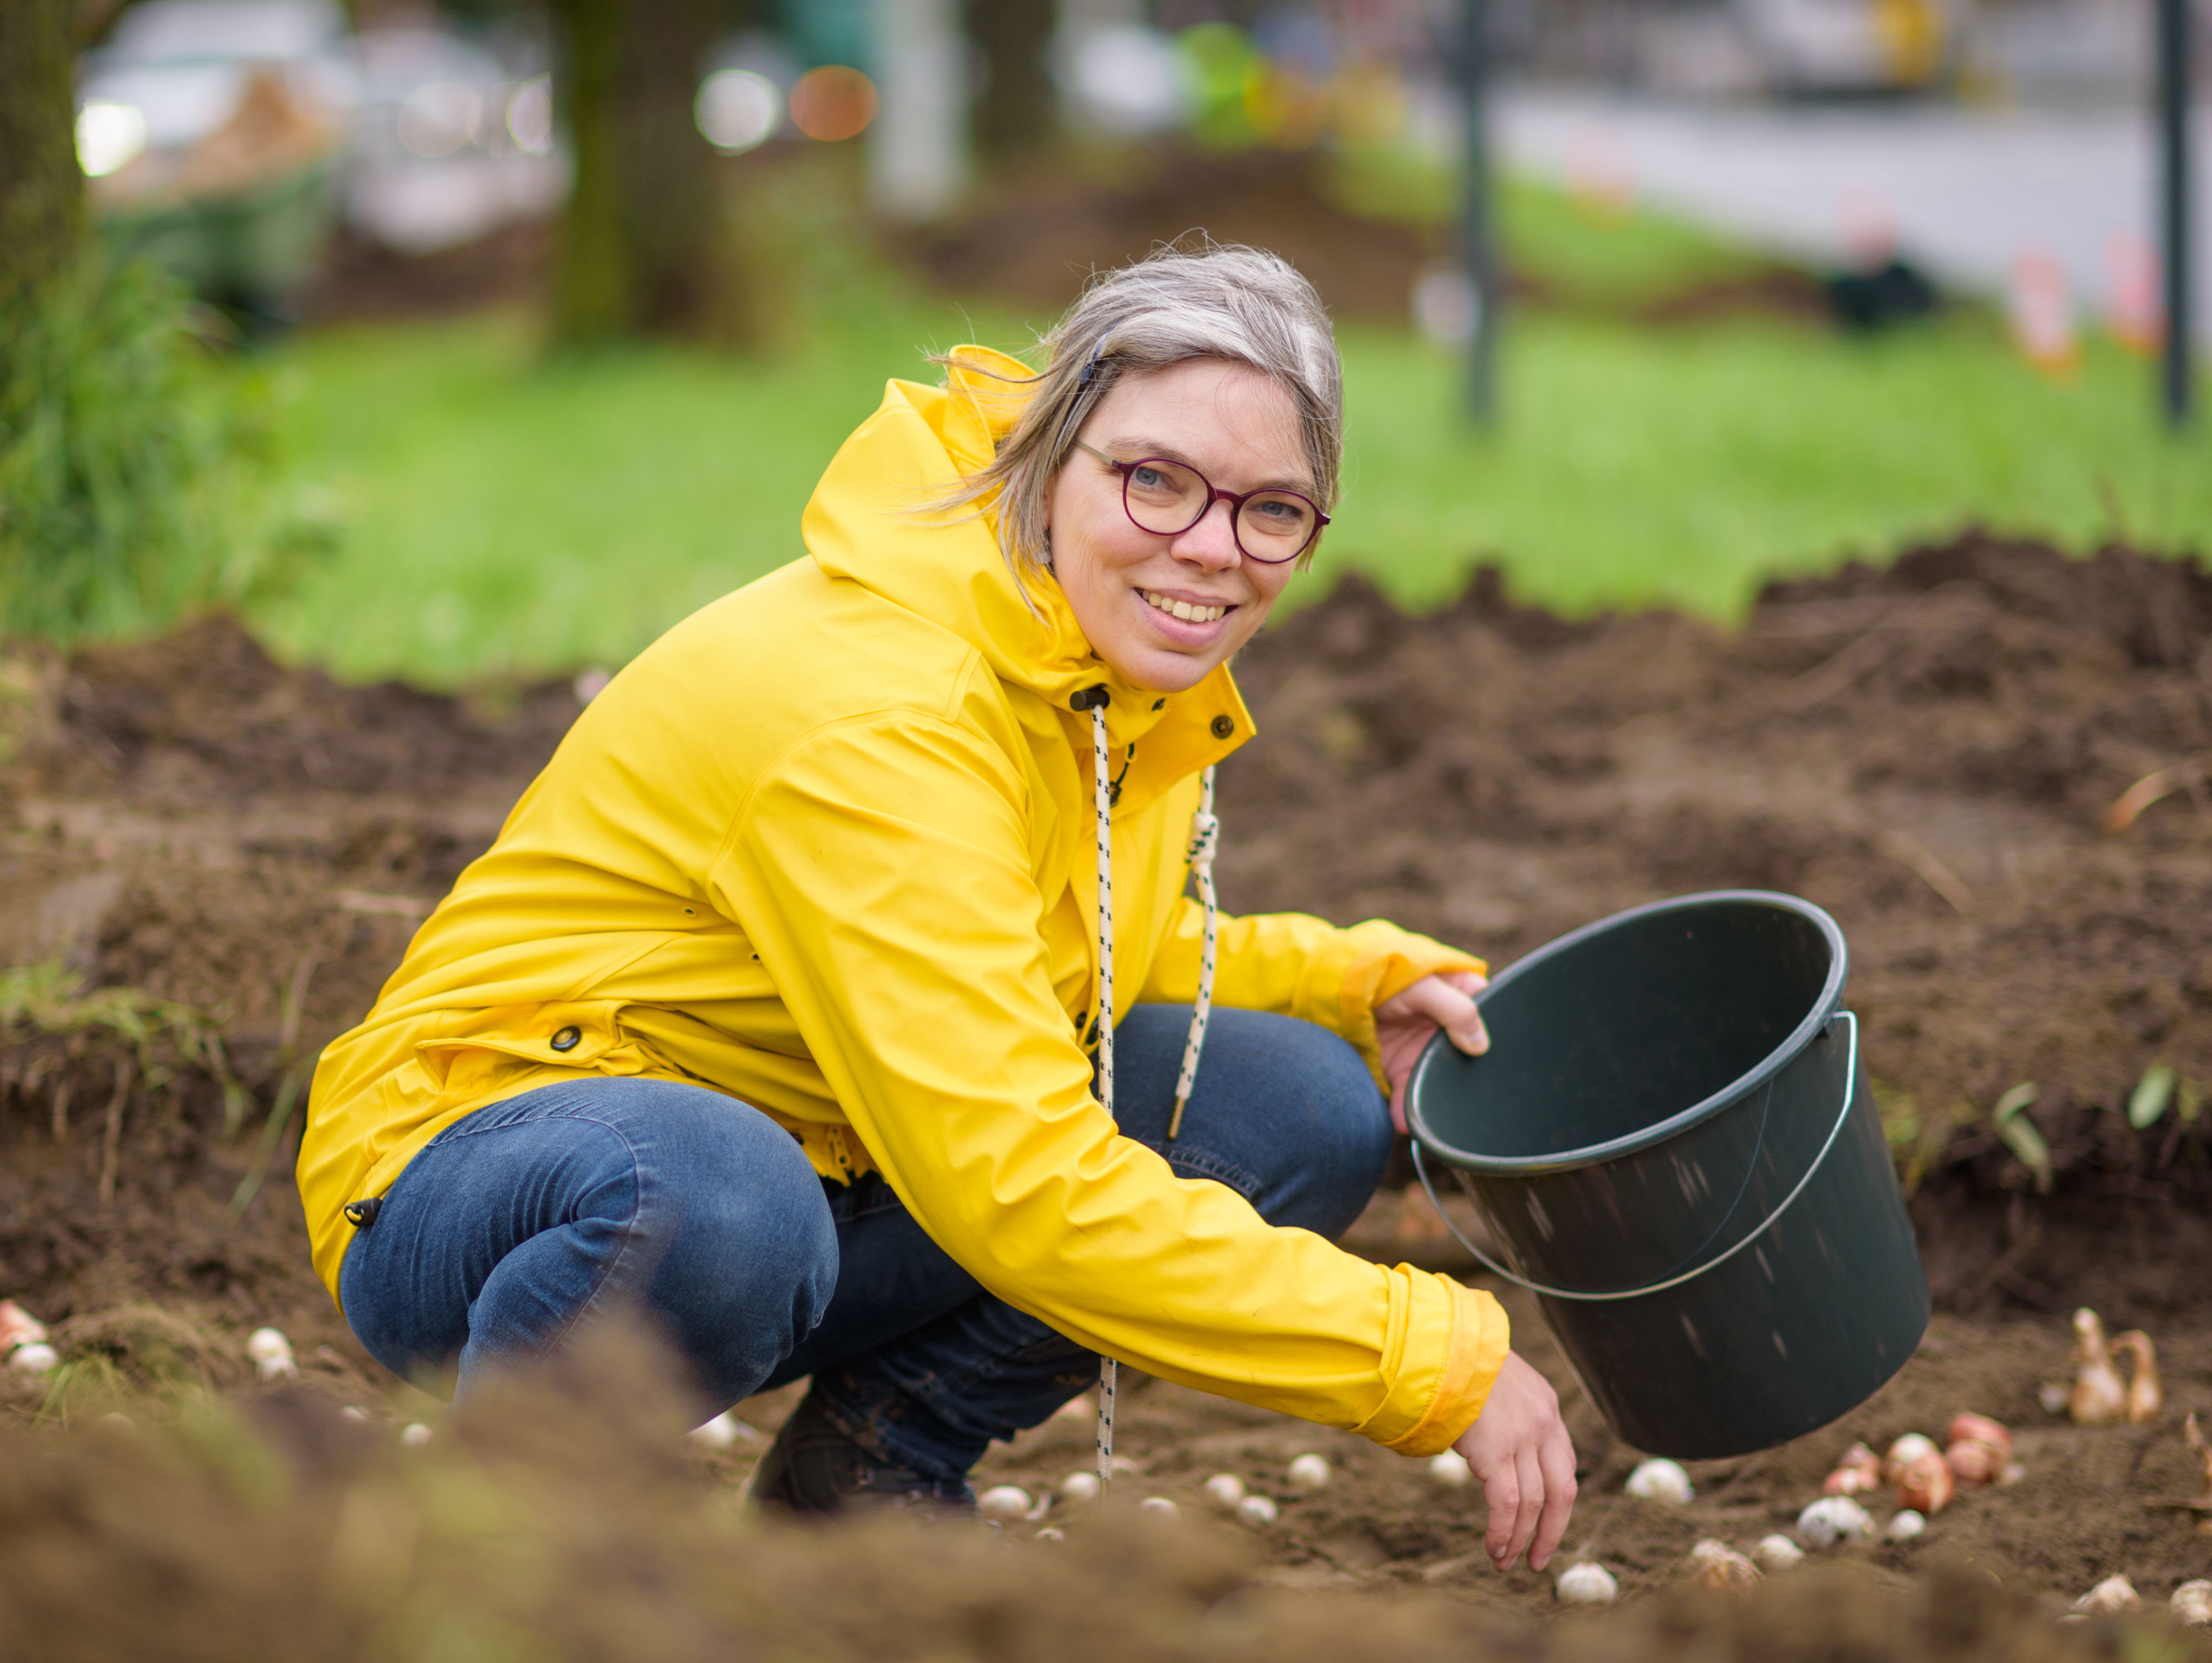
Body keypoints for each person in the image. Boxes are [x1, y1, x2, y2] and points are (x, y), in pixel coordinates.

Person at [297, 244, 1578, 1573]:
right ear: (1047, 446)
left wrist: (1339, 982)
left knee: (1291, 1105)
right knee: (716, 1202)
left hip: (821, 1163)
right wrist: (1427, 1360)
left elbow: (1043, 957)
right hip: (494, 1183)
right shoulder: (882, 715)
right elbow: (1019, 1182)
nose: (1210, 547)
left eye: (1271, 509)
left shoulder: (1090, 660)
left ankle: (868, 1476)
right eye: (1156, 480)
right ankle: (492, 1558)